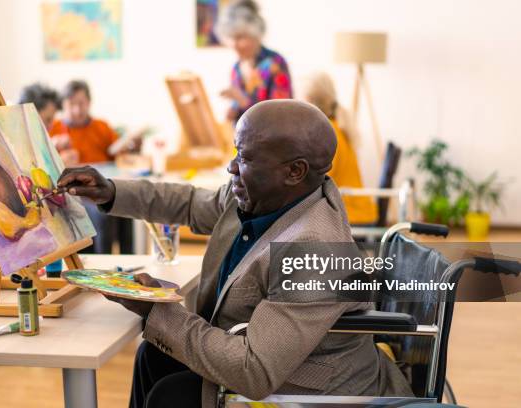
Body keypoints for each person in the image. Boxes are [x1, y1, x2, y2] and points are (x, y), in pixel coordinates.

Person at [58, 100, 413, 408]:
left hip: (313, 393)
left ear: (295, 171)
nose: (231, 167)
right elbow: (190, 203)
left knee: (173, 395)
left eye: (244, 157)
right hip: (265, 363)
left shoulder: (315, 250)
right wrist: (110, 191)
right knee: (154, 356)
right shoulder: (265, 195)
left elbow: (255, 371)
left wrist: (157, 310)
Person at [51, 80, 133, 254]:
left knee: (127, 206)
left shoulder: (101, 127)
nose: (77, 110)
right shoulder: (55, 129)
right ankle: (103, 266)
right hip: (76, 194)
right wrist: (60, 156)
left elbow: (117, 155)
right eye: (71, 104)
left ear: (89, 103)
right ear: (63, 105)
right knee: (102, 213)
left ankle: (129, 260)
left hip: (104, 185)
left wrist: (129, 147)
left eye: (81, 104)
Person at [304, 72, 378, 225]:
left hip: (350, 213)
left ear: (310, 103)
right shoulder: (338, 125)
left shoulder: (328, 133)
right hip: (359, 210)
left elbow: (321, 179)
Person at [216, 0, 293, 122]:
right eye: (231, 37)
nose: (234, 44)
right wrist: (233, 111)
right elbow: (239, 109)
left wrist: (242, 100)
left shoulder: (275, 63)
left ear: (256, 34)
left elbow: (281, 115)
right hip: (242, 139)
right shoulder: (236, 68)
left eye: (240, 37)